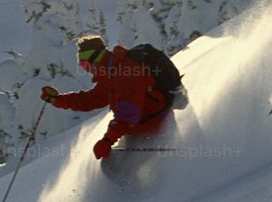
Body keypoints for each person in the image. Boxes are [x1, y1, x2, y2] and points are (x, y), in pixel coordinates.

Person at [41, 35, 173, 162]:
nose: (87, 70)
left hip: (156, 128)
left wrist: (107, 141)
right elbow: (90, 100)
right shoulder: (110, 75)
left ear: (97, 59)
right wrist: (57, 99)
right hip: (138, 127)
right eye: (82, 67)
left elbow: (128, 113)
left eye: (86, 65)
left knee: (116, 167)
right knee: (113, 166)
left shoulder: (126, 71)